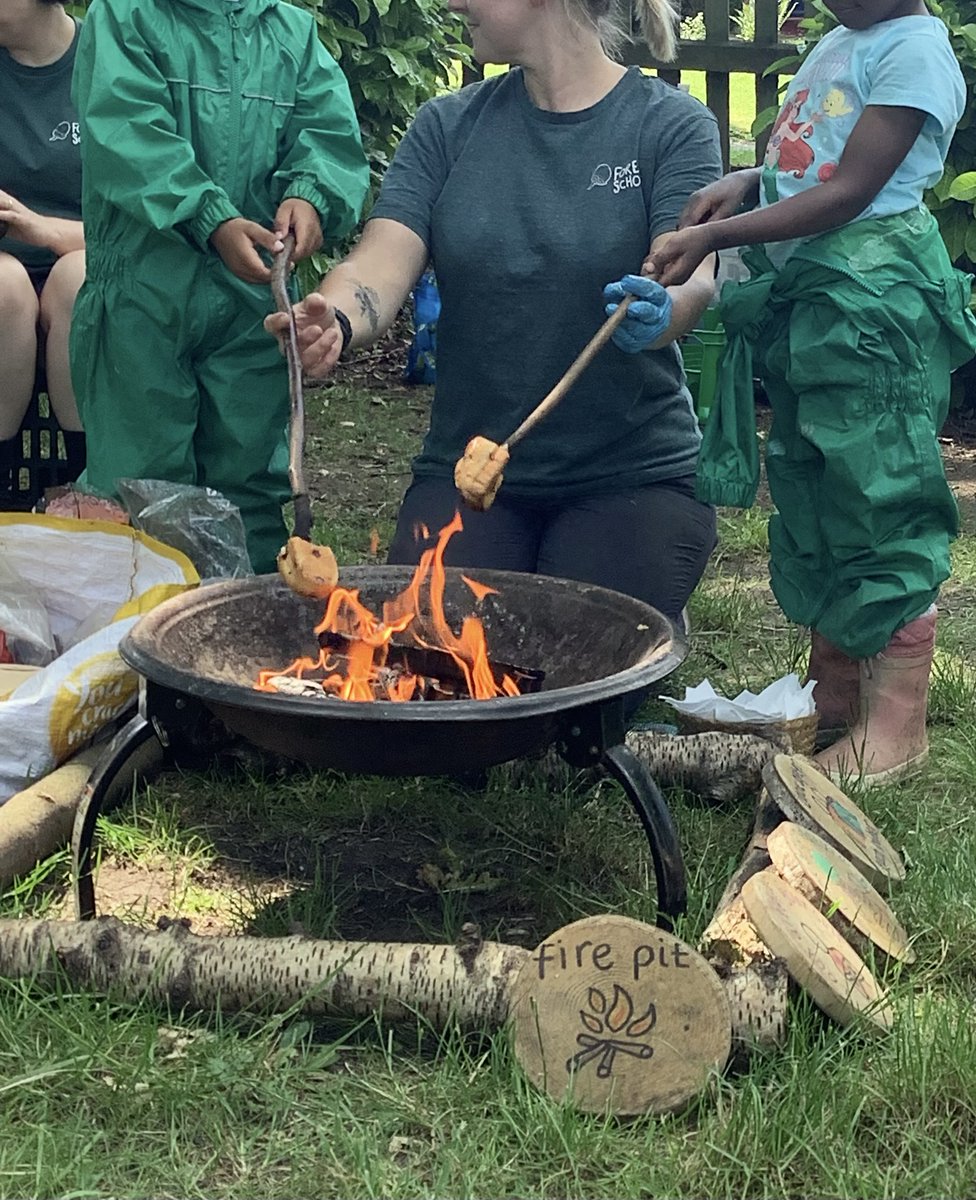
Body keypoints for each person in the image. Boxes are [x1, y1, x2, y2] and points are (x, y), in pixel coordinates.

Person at [266, 0, 723, 640]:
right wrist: (336, 319)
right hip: (468, 474)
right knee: (437, 665)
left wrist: (665, 311)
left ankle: (647, 609)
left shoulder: (670, 125)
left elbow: (693, 277)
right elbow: (379, 261)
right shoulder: (447, 127)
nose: (452, 3)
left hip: (631, 478)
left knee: (573, 662)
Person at [647, 0, 976, 785]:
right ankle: (834, 694)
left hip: (874, 305)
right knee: (819, 485)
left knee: (877, 490)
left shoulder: (916, 50)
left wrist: (716, 238)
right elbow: (816, 158)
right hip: (820, 300)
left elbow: (853, 189)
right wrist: (747, 180)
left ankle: (896, 722)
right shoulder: (846, 38)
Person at [69, 0, 370, 573]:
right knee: (140, 484)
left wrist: (309, 195)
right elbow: (125, 133)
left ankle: (243, 633)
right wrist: (210, 218)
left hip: (253, 303)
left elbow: (327, 134)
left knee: (250, 481)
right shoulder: (126, 16)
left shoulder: (291, 34)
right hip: (142, 301)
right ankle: (144, 642)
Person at [0, 0, 86, 501]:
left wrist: (37, 228)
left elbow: (137, 230)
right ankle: (6, 487)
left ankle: (81, 484)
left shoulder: (109, 65)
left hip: (89, 263)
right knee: (5, 287)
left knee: (77, 279)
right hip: (6, 274)